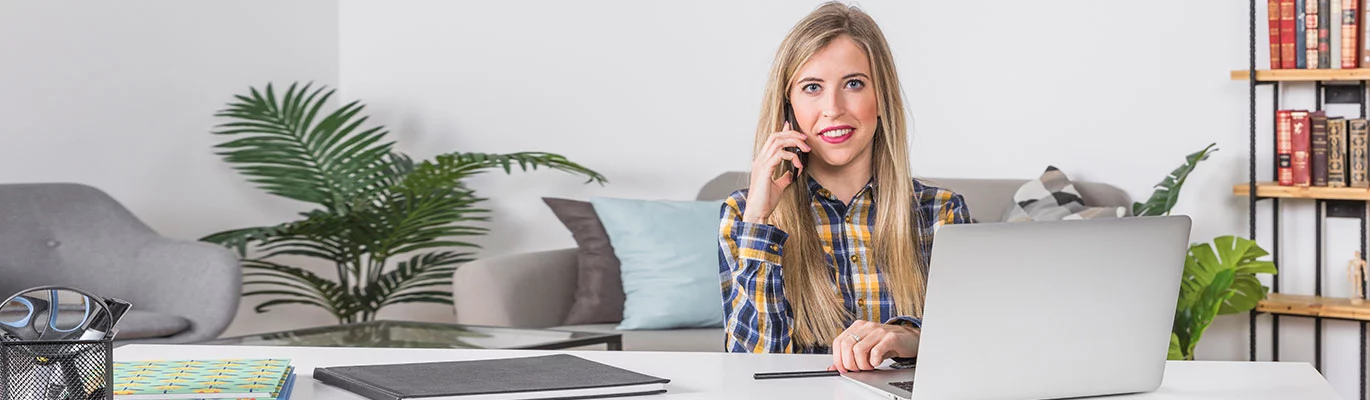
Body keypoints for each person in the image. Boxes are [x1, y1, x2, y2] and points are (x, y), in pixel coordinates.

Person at [717, 2, 972, 373]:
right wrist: (759, 222)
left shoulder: (941, 212)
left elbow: (968, 349)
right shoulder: (744, 216)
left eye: (853, 84)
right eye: (812, 88)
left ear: (882, 97)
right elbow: (748, 367)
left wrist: (910, 337)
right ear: (788, 105)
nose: (833, 108)